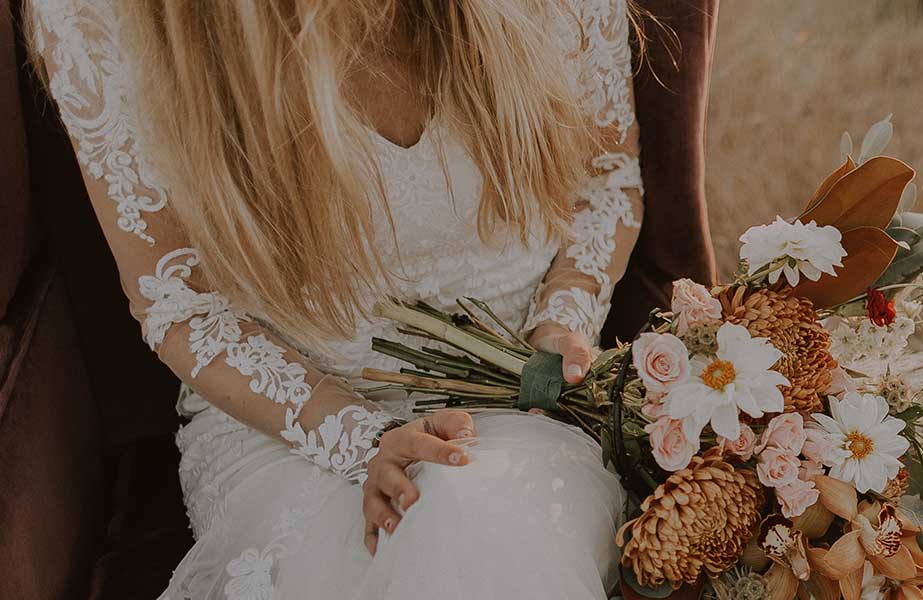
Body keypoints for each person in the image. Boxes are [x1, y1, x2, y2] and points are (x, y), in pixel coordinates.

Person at [24, 0, 697, 596]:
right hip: (293, 423)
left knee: (474, 514)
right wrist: (361, 439)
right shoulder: (100, 14)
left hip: (517, 396)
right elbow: (181, 302)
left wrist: (560, 329)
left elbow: (602, 183)